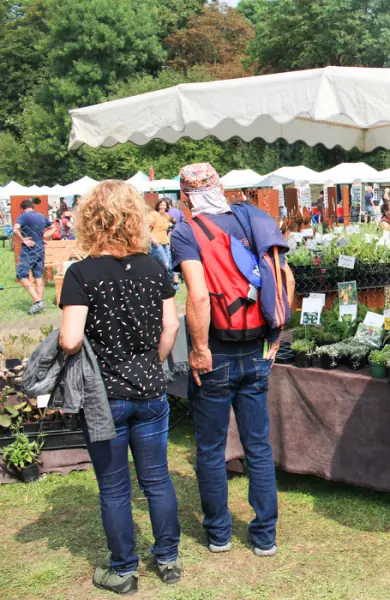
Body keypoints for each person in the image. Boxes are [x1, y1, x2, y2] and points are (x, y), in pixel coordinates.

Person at [58, 180, 182, 594]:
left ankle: (124, 570)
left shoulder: (81, 273)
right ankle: (168, 559)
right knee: (157, 479)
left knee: (114, 486)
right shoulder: (154, 267)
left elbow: (70, 340)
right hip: (149, 391)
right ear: (134, 217)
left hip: (103, 396)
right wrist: (154, 363)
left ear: (89, 219)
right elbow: (172, 326)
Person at [171, 163, 292, 559]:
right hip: (258, 347)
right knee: (257, 445)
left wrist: (199, 348)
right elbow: (286, 279)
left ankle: (219, 534)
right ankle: (265, 536)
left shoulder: (187, 232)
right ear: (219, 187)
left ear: (186, 197)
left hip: (217, 351)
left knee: (209, 447)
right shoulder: (252, 220)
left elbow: (199, 296)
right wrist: (275, 334)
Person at [13, 198, 52, 315]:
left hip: (29, 250)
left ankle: (37, 301)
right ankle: (39, 304)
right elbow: (53, 227)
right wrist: (44, 237)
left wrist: (23, 239)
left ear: (22, 209)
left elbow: (15, 229)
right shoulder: (41, 216)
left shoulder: (24, 216)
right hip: (40, 249)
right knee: (38, 275)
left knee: (21, 274)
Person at [150, 199, 177, 290]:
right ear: (158, 206)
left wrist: (169, 240)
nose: (162, 207)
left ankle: (168, 285)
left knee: (169, 264)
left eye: (164, 205)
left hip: (165, 242)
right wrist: (152, 238)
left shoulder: (166, 216)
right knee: (165, 264)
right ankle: (162, 284)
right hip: (157, 243)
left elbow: (171, 226)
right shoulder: (153, 215)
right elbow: (146, 228)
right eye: (161, 205)